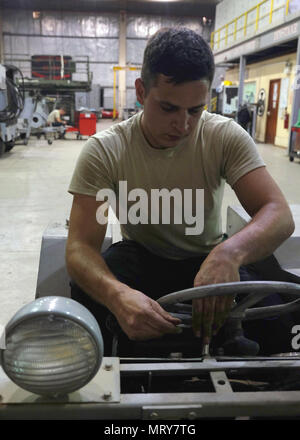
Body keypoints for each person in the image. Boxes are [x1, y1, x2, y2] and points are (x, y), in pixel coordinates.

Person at [66, 27, 295, 355]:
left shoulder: (223, 137)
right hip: (141, 259)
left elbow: (278, 213)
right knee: (88, 298)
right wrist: (117, 296)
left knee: (277, 317)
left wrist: (229, 253)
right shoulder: (106, 150)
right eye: (169, 108)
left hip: (207, 259)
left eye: (195, 110)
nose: (183, 125)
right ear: (142, 92)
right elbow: (79, 249)